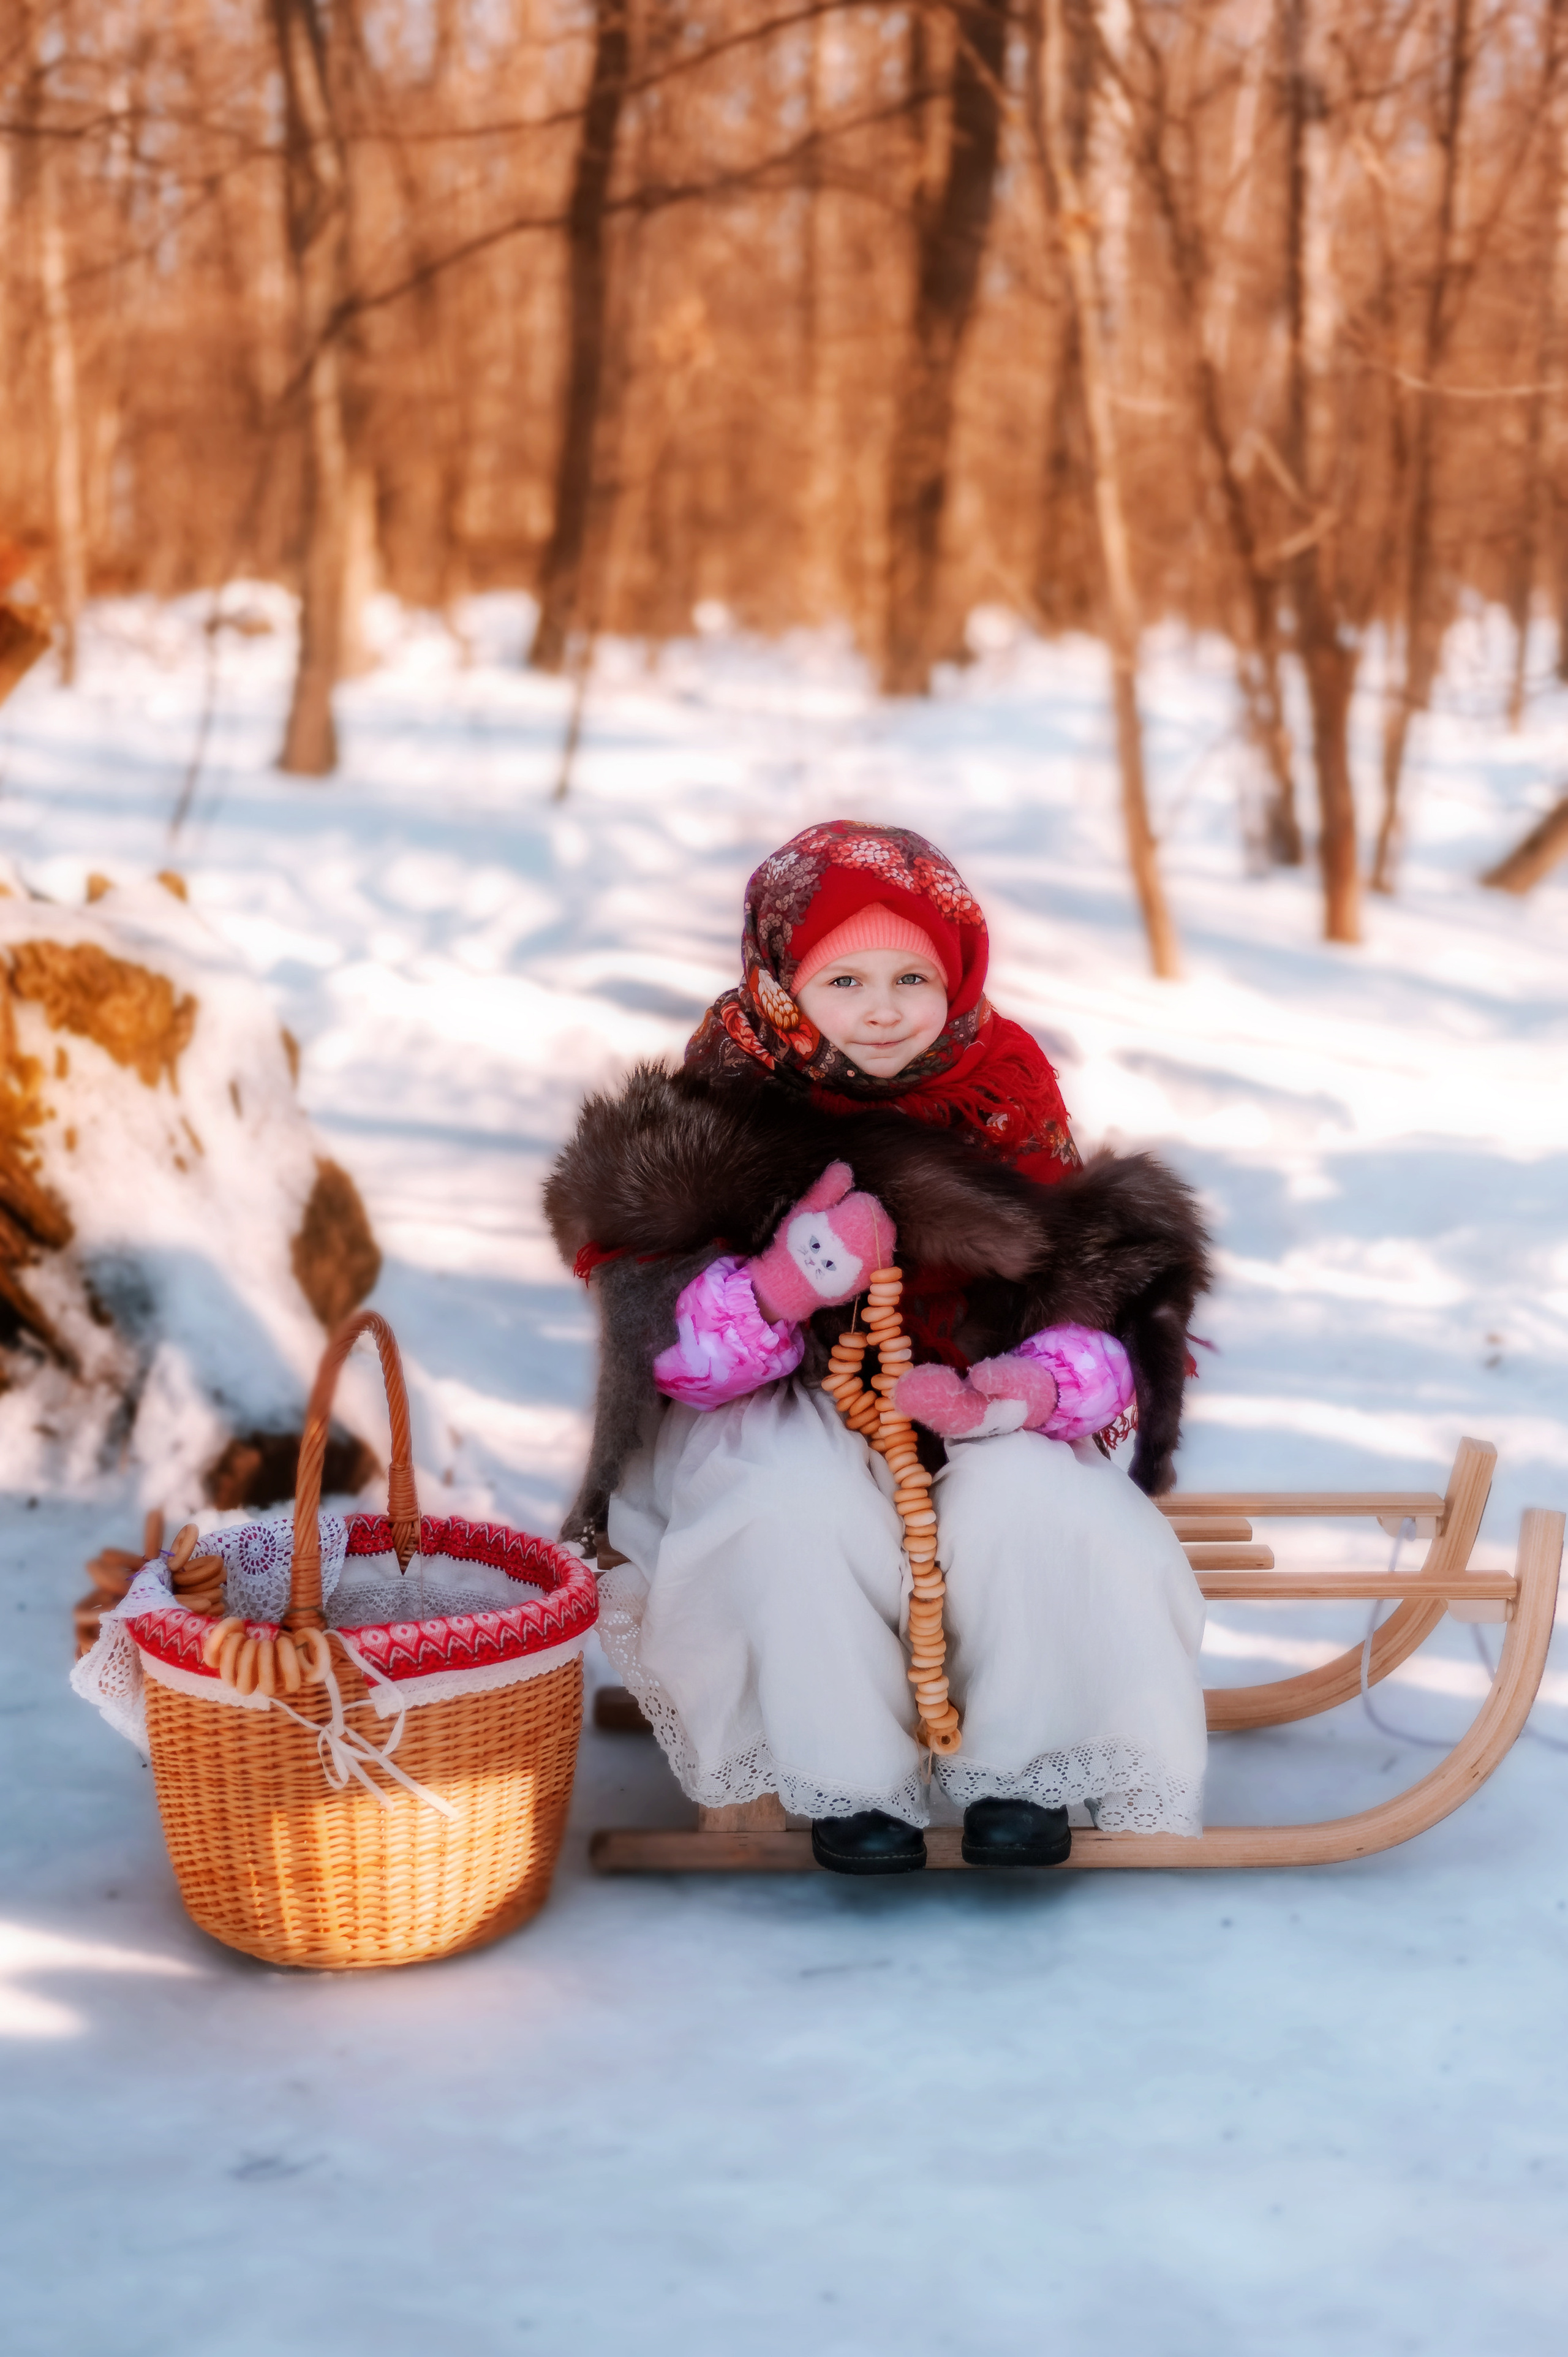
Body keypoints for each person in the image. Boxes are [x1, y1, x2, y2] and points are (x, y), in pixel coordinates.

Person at [546, 821, 1210, 1874]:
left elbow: (1101, 1319)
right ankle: (842, 1772)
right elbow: (664, 1347)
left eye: (913, 975)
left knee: (1041, 1512)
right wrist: (781, 1286)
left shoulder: (1007, 1091)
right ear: (782, 985)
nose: (886, 1008)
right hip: (778, 1403)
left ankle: (1026, 1769)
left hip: (971, 1395)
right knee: (786, 1509)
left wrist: (1025, 1390)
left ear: (960, 974)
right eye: (844, 980)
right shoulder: (716, 1103)